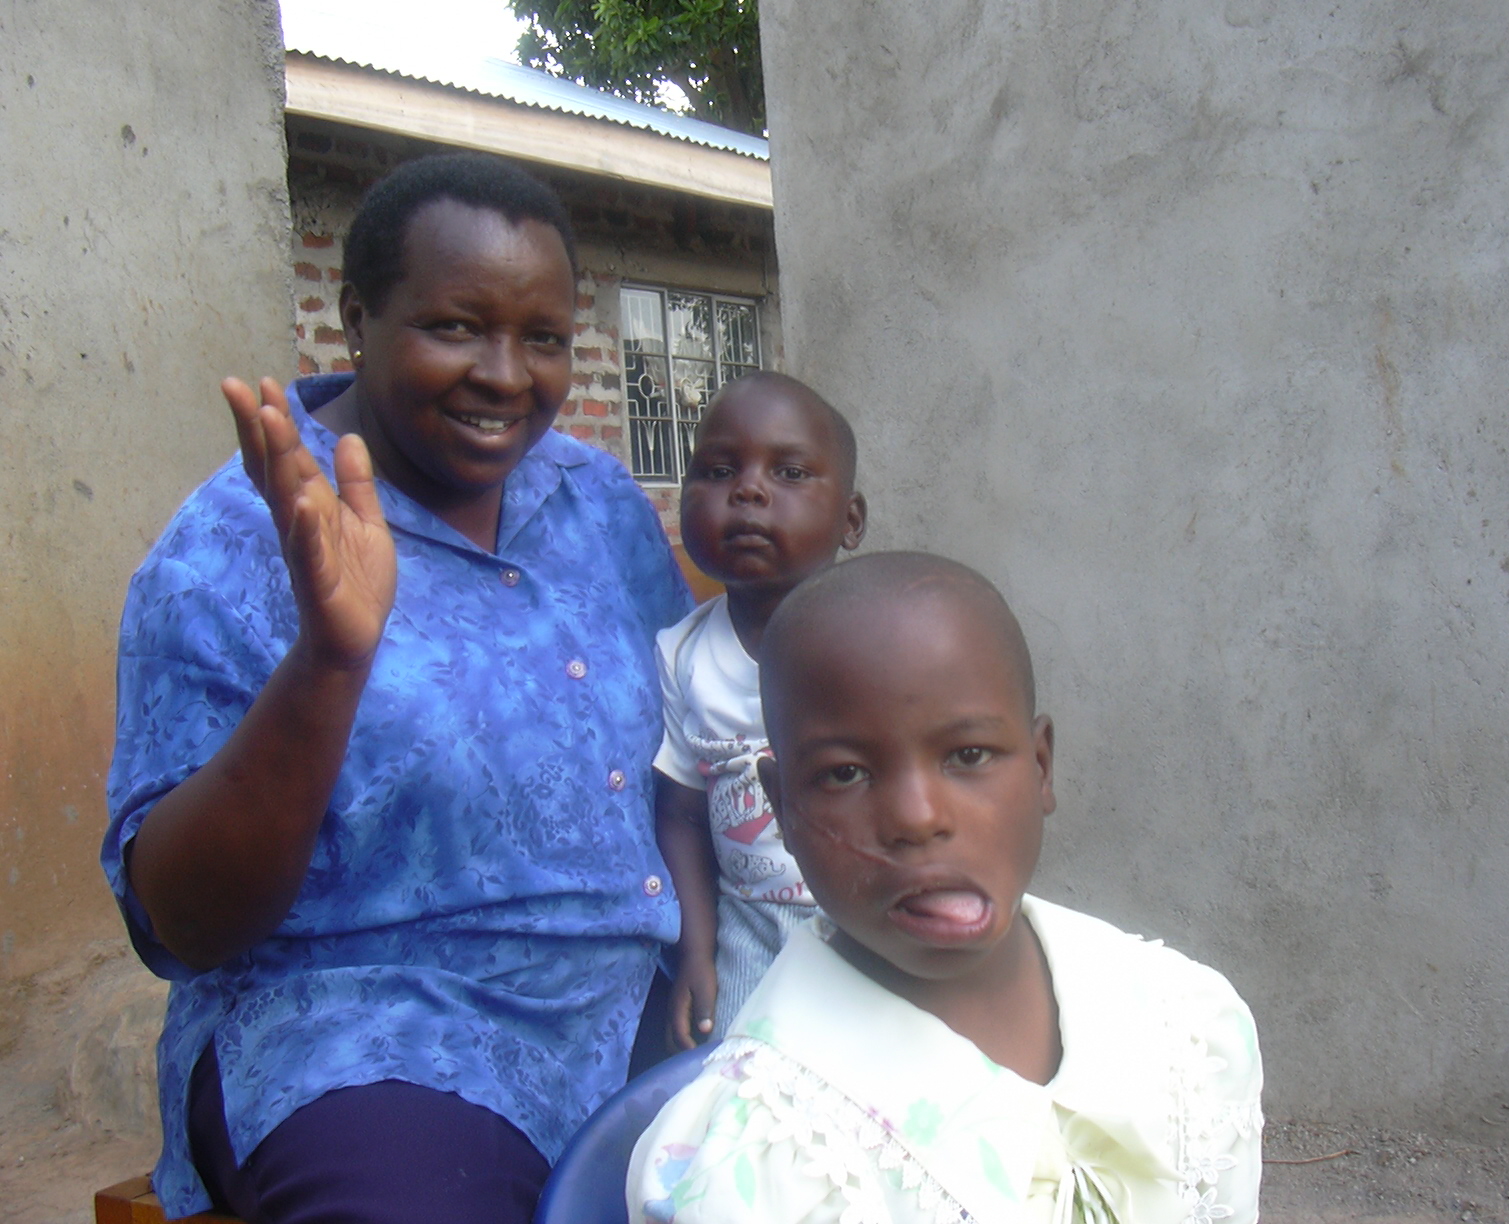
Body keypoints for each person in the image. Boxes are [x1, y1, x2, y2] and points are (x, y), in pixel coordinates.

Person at [101, 153, 692, 1224]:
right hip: (372, 1037)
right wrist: (329, 662)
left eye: (544, 337)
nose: (508, 375)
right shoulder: (230, 550)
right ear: (357, 316)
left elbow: (684, 742)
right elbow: (179, 923)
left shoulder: (594, 496)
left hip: (637, 1008)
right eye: (457, 326)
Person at [629, 552, 1263, 1223]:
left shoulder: (1184, 1025)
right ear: (781, 808)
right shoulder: (761, 1156)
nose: (917, 817)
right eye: (845, 774)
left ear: (1042, 768)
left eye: (968, 756)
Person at [651, 373, 867, 1049]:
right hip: (749, 930)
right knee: (737, 1088)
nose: (747, 490)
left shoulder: (880, 642)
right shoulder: (683, 654)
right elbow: (682, 814)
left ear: (851, 520)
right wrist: (696, 952)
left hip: (873, 925)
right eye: (718, 470)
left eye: (791, 471)